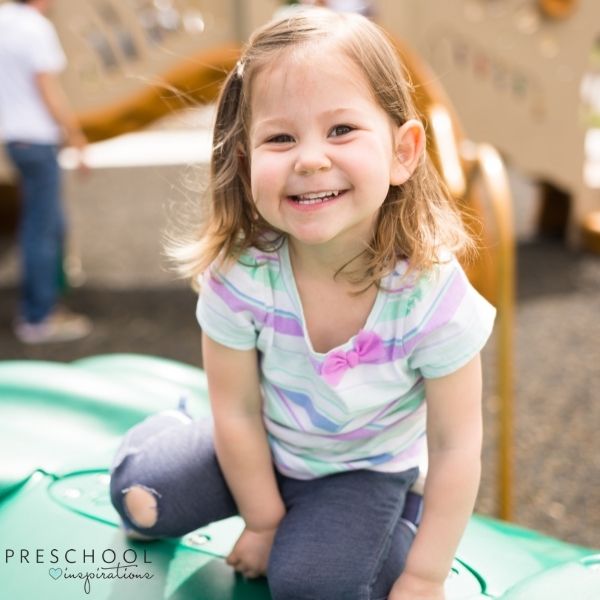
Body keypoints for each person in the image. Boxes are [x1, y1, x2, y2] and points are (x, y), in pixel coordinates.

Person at [110, 8, 496, 600]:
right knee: (141, 502)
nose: (310, 158)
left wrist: (426, 574)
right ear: (244, 163)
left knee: (310, 585)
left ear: (404, 151)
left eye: (341, 130)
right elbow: (237, 412)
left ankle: (395, 524)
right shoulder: (242, 275)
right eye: (280, 137)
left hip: (364, 470)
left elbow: (455, 446)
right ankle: (178, 428)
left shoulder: (430, 294)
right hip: (258, 439)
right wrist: (262, 521)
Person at [0, 0, 91, 344]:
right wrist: (75, 136)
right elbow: (48, 89)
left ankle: (47, 307)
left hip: (14, 140)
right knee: (42, 227)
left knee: (49, 224)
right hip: (38, 140)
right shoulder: (35, 27)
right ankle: (38, 316)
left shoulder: (4, 22)